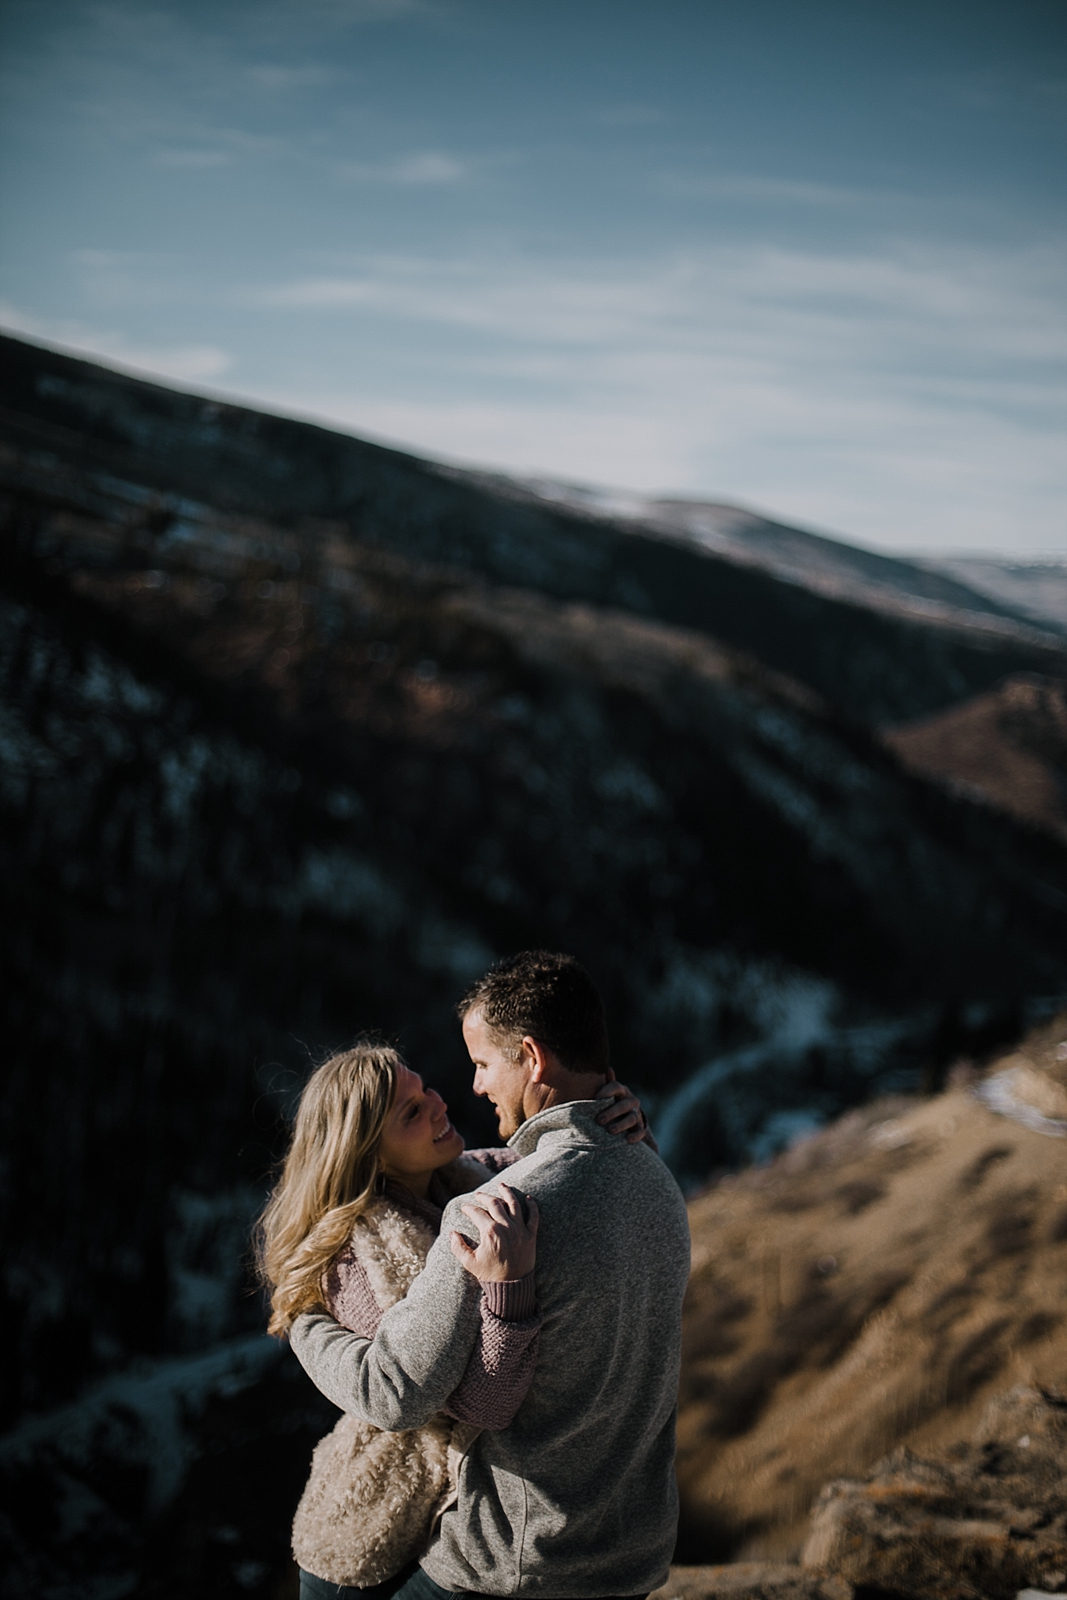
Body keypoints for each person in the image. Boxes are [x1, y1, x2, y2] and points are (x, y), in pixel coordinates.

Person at [290, 953, 691, 1600]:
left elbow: (445, 1399)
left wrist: (301, 1321)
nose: (468, 1089)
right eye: (412, 1111)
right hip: (635, 1550)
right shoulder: (655, 1178)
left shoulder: (487, 1209)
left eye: (480, 1064)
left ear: (531, 1058)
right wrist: (608, 1118)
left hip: (518, 1560)